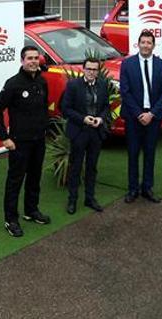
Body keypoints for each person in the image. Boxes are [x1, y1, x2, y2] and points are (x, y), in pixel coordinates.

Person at [0, 45, 50, 238]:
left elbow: (43, 110)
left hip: (38, 141)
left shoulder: (42, 82)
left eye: (36, 58)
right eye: (29, 58)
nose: (33, 61)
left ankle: (31, 211)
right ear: (22, 61)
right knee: (15, 181)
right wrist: (4, 138)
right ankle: (11, 219)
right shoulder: (13, 84)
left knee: (35, 178)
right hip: (19, 143)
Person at [119, 30, 162, 203]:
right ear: (138, 44)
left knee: (150, 153)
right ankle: (133, 189)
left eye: (149, 42)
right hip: (134, 118)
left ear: (153, 45)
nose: (146, 45)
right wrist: (140, 114)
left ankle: (147, 188)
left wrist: (152, 113)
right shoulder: (127, 64)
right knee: (133, 154)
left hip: (153, 117)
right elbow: (125, 92)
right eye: (143, 42)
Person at [61, 57, 111, 214]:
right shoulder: (73, 85)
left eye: (94, 69)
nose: (91, 72)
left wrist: (100, 118)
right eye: (88, 69)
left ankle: (90, 198)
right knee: (76, 167)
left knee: (92, 167)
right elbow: (66, 109)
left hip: (96, 132)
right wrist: (83, 118)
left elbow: (106, 106)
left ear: (98, 71)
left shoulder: (103, 85)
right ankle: (72, 200)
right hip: (79, 132)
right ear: (83, 69)